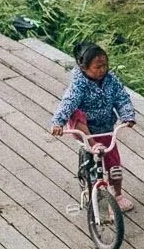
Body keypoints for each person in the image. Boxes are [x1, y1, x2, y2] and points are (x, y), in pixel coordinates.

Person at [48, 41, 138, 211]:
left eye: (104, 65)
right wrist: (58, 122)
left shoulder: (111, 80)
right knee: (77, 114)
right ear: (83, 67)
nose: (102, 70)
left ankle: (117, 195)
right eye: (97, 67)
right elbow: (68, 103)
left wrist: (127, 116)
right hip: (85, 129)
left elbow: (122, 98)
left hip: (105, 128)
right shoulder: (79, 84)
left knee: (114, 166)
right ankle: (91, 189)